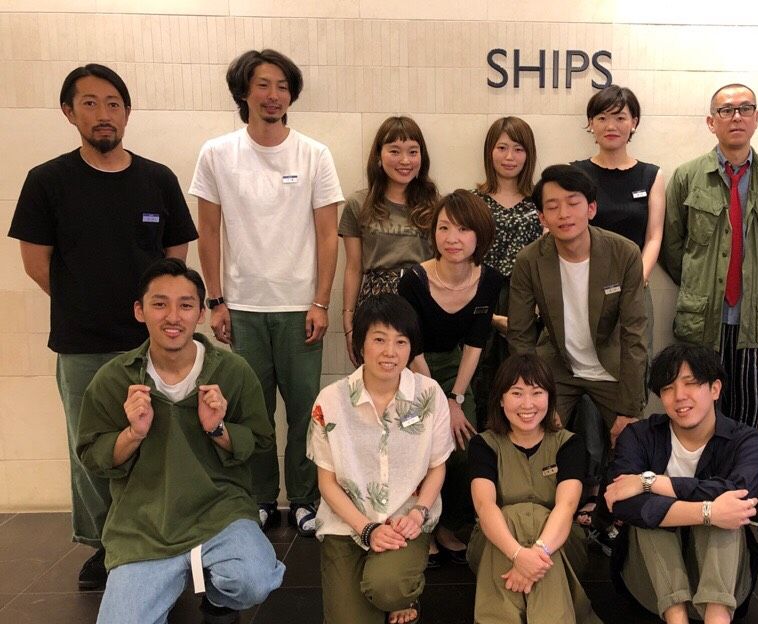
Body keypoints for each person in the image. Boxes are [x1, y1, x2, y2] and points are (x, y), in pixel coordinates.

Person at [9, 64, 197, 591]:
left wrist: (158, 313)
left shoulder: (157, 179)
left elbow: (175, 254)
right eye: (89, 103)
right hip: (83, 343)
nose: (103, 114)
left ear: (127, 112)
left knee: (160, 439)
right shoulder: (47, 181)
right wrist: (84, 303)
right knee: (92, 446)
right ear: (69, 112)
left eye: (113, 103)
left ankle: (160, 535)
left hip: (152, 343)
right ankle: (104, 544)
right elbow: (37, 264)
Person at [78, 259, 284, 624]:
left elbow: (261, 443)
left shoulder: (231, 371)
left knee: (254, 580)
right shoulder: (115, 379)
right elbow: (93, 456)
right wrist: (132, 434)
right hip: (145, 523)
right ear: (140, 311)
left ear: (201, 313)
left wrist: (218, 429)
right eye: (160, 304)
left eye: (186, 305)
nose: (173, 317)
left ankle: (217, 596)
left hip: (218, 512)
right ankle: (163, 590)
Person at [190, 49, 343, 536]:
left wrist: (321, 301)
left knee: (304, 411)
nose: (273, 95)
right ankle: (257, 498)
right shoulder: (217, 153)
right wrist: (215, 300)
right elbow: (208, 232)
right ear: (244, 91)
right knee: (250, 412)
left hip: (301, 308)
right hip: (242, 307)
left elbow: (327, 235)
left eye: (282, 86)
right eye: (263, 84)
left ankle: (303, 499)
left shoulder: (314, 154)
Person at [605, 343, 758, 624]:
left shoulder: (748, 442)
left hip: (724, 586)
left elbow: (741, 497)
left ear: (715, 388)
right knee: (663, 518)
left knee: (726, 518)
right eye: (667, 388)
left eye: (691, 383)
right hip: (653, 587)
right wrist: (707, 510)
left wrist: (651, 482)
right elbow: (620, 502)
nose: (679, 396)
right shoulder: (639, 436)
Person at [308, 294, 454, 624]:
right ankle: (369, 587)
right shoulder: (331, 400)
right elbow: (326, 483)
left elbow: (437, 465)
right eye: (379, 339)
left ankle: (395, 592)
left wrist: (419, 513)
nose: (390, 352)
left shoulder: (429, 394)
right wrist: (367, 529)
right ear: (360, 343)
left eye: (401, 342)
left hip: (405, 519)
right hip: (348, 523)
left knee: (389, 588)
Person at [467, 354, 604, 624]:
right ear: (501, 399)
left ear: (550, 397)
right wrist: (518, 554)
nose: (527, 404)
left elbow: (567, 506)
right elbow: (484, 506)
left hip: (559, 550)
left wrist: (536, 554)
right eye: (516, 393)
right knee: (511, 514)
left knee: (542, 516)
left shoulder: (569, 443)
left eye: (537, 392)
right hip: (498, 549)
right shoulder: (484, 444)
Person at [660, 83, 758, 430]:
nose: (736, 117)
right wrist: (697, 282)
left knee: (747, 407)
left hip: (752, 318)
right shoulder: (687, 176)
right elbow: (672, 246)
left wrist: (750, 275)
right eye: (726, 110)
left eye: (745, 109)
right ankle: (702, 468)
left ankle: (742, 467)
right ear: (711, 121)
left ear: (756, 118)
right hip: (701, 318)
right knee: (696, 405)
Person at [508, 163, 648, 452]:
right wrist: (533, 396)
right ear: (542, 217)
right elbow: (520, 334)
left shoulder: (624, 253)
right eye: (552, 206)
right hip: (556, 366)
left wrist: (629, 410)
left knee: (633, 443)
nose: (564, 214)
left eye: (573, 203)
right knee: (534, 437)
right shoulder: (529, 261)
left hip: (611, 366)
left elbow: (634, 335)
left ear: (591, 209)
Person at [399, 190, 503, 565]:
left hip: (457, 369)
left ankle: (448, 524)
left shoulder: (489, 281)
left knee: (464, 447)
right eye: (444, 228)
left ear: (480, 235)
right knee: (417, 446)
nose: (452, 238)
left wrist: (456, 398)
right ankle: (420, 527)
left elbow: (475, 342)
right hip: (411, 372)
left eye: (463, 229)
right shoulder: (413, 279)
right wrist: (437, 400)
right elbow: (411, 345)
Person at [570, 85, 665, 350]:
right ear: (591, 124)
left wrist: (636, 281)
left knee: (635, 362)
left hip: (635, 287)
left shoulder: (651, 175)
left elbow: (654, 236)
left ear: (634, 122)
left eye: (620, 117)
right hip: (584, 287)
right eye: (602, 118)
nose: (611, 126)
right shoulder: (575, 174)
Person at [340, 116, 439, 364]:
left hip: (421, 299)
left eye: (413, 152)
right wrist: (348, 317)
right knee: (379, 375)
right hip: (375, 302)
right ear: (378, 156)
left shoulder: (435, 205)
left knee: (419, 380)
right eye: (395, 151)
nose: (405, 160)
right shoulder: (358, 203)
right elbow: (353, 267)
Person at [472, 116, 544, 424]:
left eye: (518, 149)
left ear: (529, 154)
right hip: (481, 297)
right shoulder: (474, 201)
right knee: (482, 378)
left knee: (523, 378)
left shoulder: (540, 201)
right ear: (490, 151)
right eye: (502, 148)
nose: (509, 156)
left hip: (526, 298)